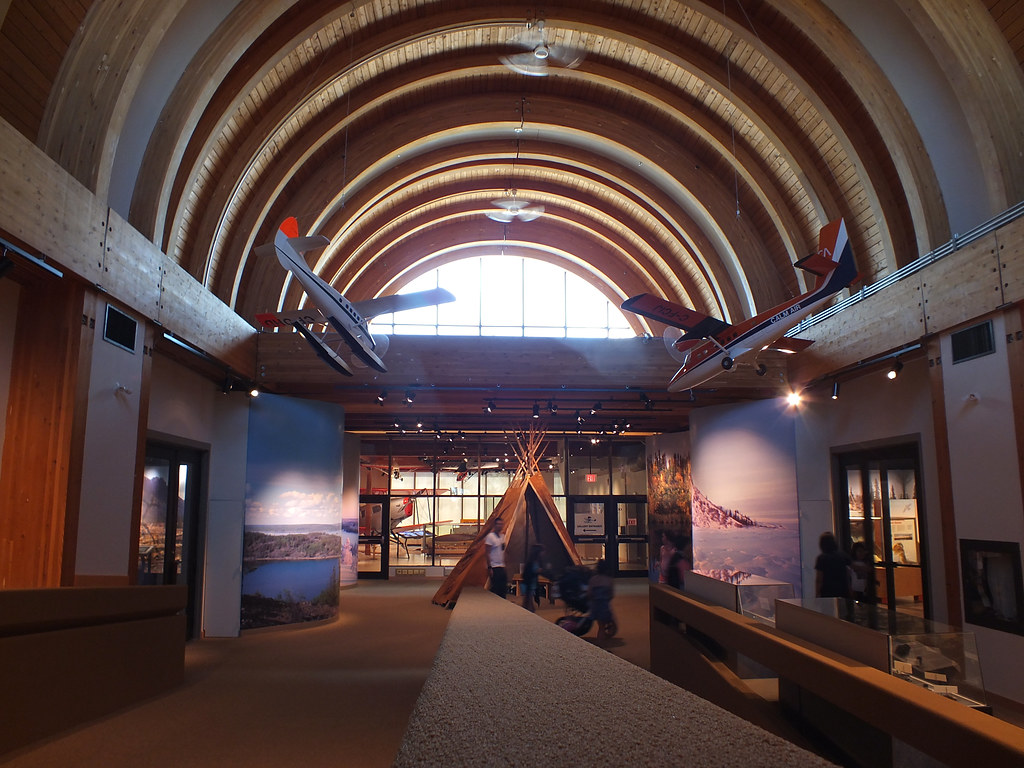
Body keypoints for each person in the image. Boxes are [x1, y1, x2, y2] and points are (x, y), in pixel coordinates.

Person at [587, 558, 616, 646]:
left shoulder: (593, 579)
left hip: (596, 606)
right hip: (604, 606)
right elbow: (611, 594)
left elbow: (589, 593)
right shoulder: (609, 580)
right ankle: (600, 644)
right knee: (603, 627)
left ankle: (601, 641)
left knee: (601, 626)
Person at [815, 531, 851, 598]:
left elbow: (819, 579)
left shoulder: (822, 558)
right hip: (842, 589)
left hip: (827, 591)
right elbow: (848, 573)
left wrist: (817, 593)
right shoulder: (843, 556)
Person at [484, 517, 507, 598]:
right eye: (498, 524)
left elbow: (503, 551)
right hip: (494, 566)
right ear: (495, 525)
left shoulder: (502, 536)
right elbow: (487, 552)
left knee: (503, 587)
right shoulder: (490, 537)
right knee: (496, 588)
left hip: (501, 565)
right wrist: (489, 567)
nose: (500, 526)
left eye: (501, 524)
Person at [521, 543, 545, 612]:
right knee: (528, 601)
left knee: (527, 601)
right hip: (528, 584)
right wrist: (537, 571)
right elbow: (527, 574)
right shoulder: (531, 562)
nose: (543, 554)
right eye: (542, 552)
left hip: (532, 584)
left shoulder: (536, 561)